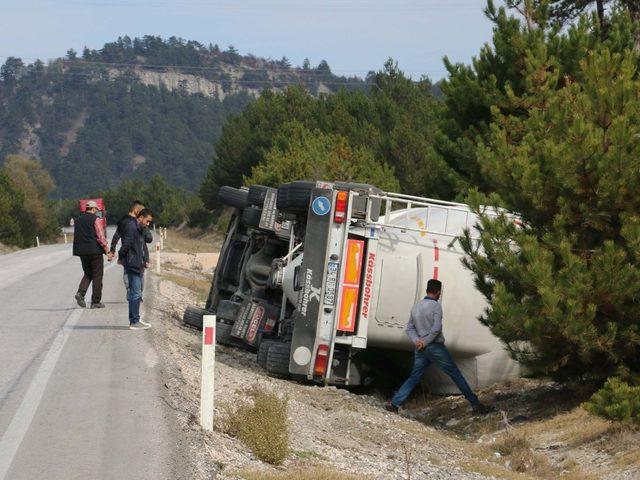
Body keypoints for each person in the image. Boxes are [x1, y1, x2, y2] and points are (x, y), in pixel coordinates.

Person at [385, 279, 491, 415]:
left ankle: (394, 404)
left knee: (414, 377)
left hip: (420, 348)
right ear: (438, 292)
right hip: (434, 346)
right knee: (455, 374)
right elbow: (436, 329)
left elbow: (409, 328)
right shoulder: (436, 306)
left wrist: (417, 341)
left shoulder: (416, 306)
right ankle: (476, 405)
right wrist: (426, 341)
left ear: (427, 290)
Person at [118, 208, 154, 330]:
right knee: (135, 293)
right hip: (133, 264)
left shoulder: (139, 229)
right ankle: (134, 321)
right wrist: (122, 257)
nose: (148, 224)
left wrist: (144, 260)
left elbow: (142, 247)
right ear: (140, 217)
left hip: (137, 264)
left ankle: (136, 319)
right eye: (147, 221)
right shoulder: (132, 228)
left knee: (136, 293)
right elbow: (126, 245)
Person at [108, 200, 152, 296]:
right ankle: (134, 293)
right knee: (135, 273)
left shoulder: (134, 222)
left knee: (128, 271)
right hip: (132, 253)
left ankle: (133, 292)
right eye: (141, 211)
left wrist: (112, 250)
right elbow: (117, 236)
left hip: (132, 253)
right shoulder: (130, 222)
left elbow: (116, 236)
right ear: (136, 210)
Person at [73, 200, 109, 309]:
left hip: (82, 252)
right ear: (93, 209)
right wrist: (107, 250)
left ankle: (81, 293)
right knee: (97, 276)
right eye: (96, 210)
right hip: (95, 251)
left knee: (88, 273)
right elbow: (100, 237)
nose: (96, 212)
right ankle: (95, 301)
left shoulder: (78, 221)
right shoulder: (95, 219)